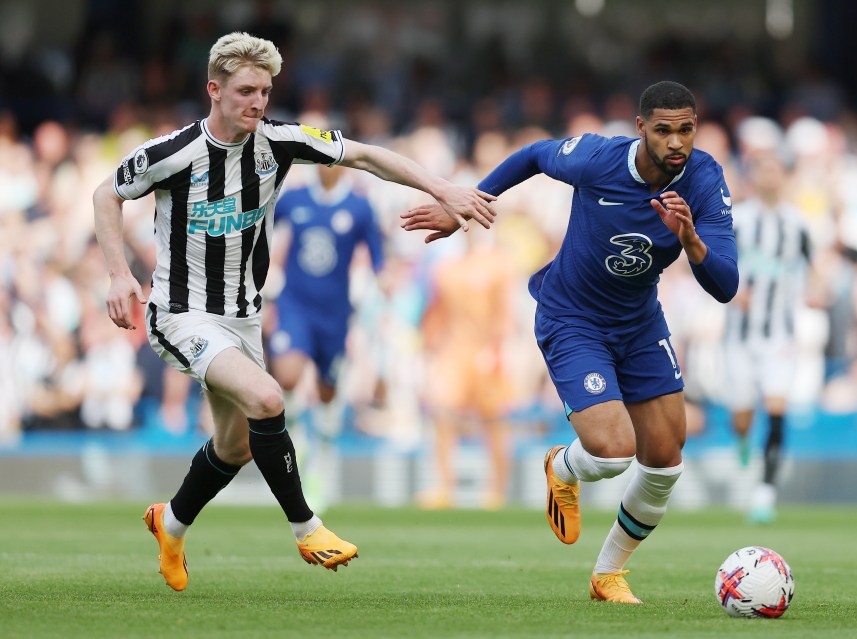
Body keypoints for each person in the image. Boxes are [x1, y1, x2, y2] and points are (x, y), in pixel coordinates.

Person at [92, 31, 495, 591]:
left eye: (265, 91)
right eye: (246, 91)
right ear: (214, 89)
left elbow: (366, 155)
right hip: (180, 313)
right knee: (269, 397)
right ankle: (307, 527)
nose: (258, 102)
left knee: (235, 446)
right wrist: (117, 271)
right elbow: (105, 194)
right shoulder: (172, 151)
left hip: (242, 318)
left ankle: (172, 522)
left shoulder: (278, 142)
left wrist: (444, 187)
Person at [402, 81, 738, 604]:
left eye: (686, 130)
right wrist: (466, 206)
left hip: (640, 323)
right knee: (611, 452)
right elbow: (534, 155)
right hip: (573, 317)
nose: (677, 143)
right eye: (665, 130)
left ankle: (608, 576)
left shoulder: (704, 178)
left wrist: (692, 240)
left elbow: (725, 286)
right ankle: (562, 466)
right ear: (641, 129)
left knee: (666, 458)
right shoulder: (598, 159)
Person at [267, 161, 385, 511]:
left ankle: (324, 455)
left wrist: (379, 293)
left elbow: (378, 257)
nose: (322, 165)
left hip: (335, 313)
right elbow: (263, 231)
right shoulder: (294, 198)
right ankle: (299, 444)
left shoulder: (359, 207)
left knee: (328, 392)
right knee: (287, 374)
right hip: (294, 304)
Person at [722, 151, 814, 524]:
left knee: (777, 409)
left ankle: (765, 493)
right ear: (754, 177)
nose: (771, 177)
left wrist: (816, 291)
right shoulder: (739, 221)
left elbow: (814, 267)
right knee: (742, 416)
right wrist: (731, 291)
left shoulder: (798, 225)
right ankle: (743, 440)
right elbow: (713, 262)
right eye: (765, 170)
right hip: (739, 337)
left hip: (780, 335)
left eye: (777, 170)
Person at [417, 227, 519, 510]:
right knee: (442, 413)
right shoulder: (446, 269)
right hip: (454, 351)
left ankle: (497, 490)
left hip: (488, 350)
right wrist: (429, 347)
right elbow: (437, 312)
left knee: (495, 420)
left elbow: (504, 311)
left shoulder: (499, 264)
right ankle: (443, 486)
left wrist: (497, 349)